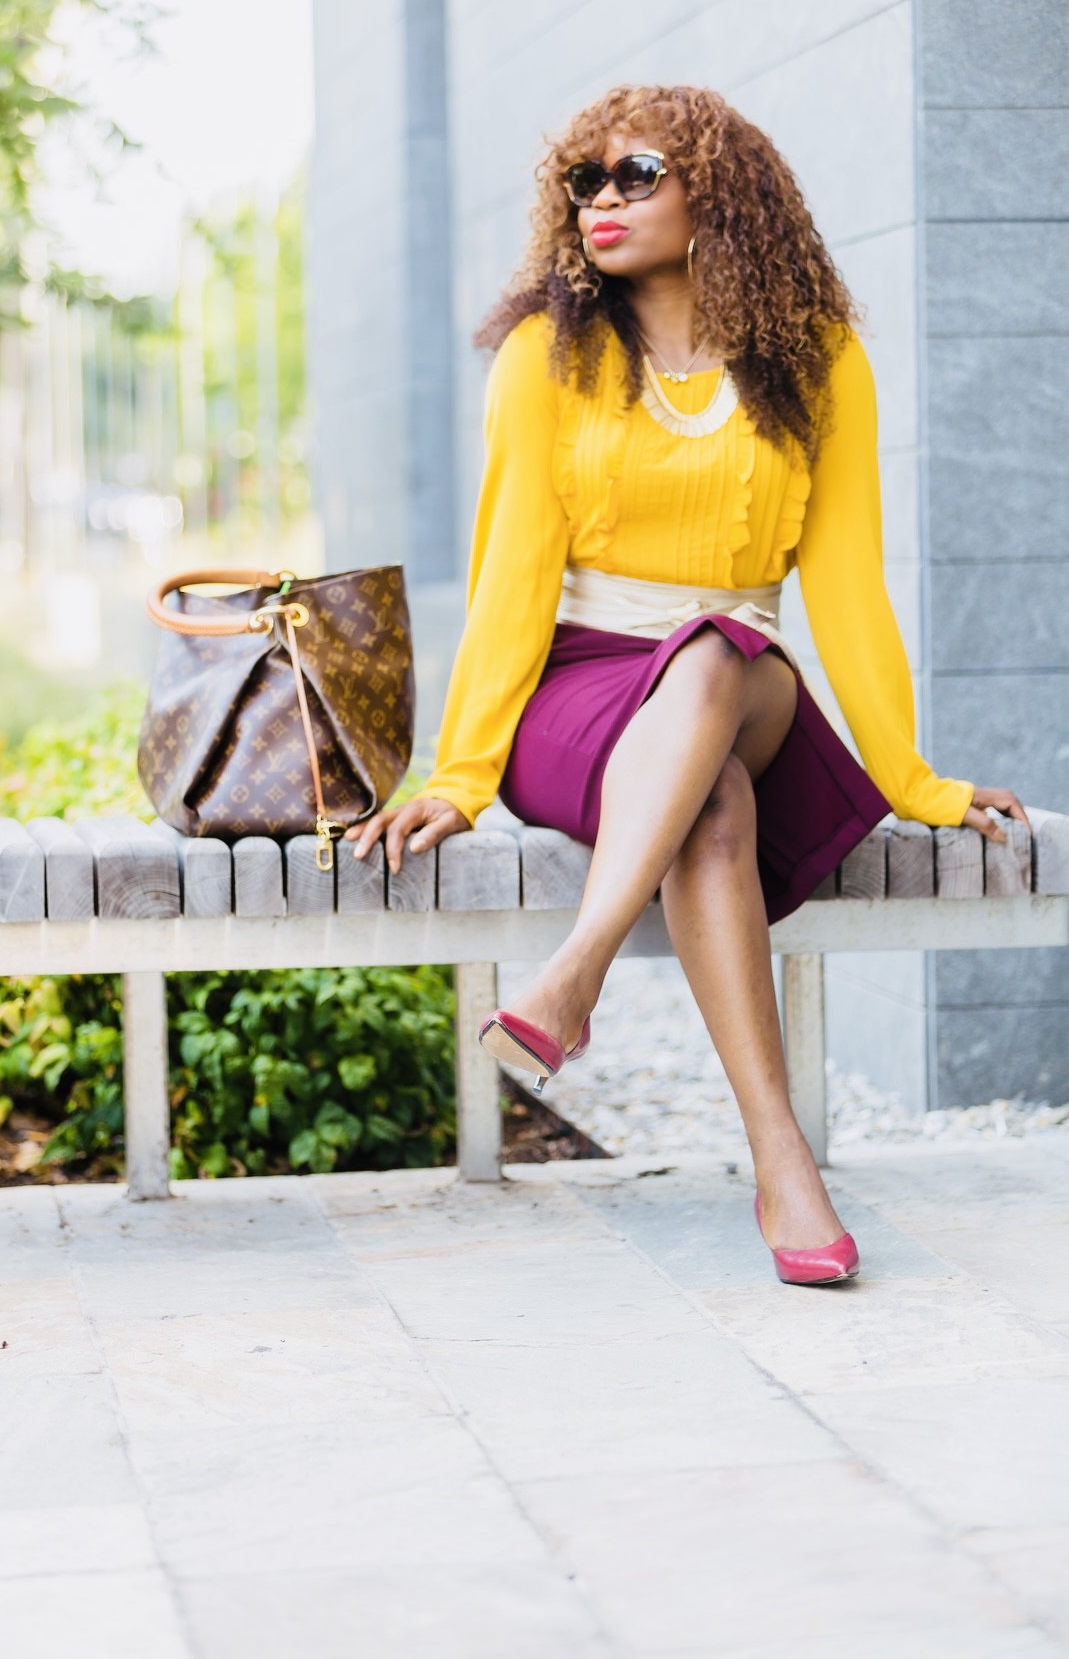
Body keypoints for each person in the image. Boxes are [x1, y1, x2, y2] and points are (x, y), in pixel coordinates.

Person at [343, 84, 1027, 1284]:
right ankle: (784, 1166)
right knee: (712, 809)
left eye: (636, 174)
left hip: (739, 673)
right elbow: (510, 572)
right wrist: (459, 773)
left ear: (722, 190)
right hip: (584, 693)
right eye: (583, 183)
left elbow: (850, 589)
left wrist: (913, 778)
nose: (601, 201)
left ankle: (574, 970)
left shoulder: (820, 362)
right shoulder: (545, 357)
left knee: (720, 653)